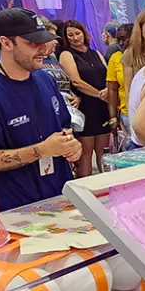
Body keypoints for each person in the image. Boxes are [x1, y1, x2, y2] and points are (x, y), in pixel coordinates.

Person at [0, 8, 82, 212]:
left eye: (43, 42)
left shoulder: (45, 79)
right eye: (32, 43)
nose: (43, 49)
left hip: (60, 196)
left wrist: (71, 144)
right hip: (16, 209)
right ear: (6, 43)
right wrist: (41, 150)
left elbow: (63, 127)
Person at [59, 19, 110, 176]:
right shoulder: (67, 55)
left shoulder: (96, 53)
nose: (75, 37)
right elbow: (76, 81)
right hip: (84, 108)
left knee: (104, 152)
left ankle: (108, 185)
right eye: (70, 35)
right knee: (85, 154)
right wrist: (99, 94)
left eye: (77, 33)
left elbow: (108, 75)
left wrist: (107, 91)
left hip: (102, 107)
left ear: (84, 33)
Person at [107, 23, 134, 134]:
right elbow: (112, 90)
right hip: (127, 114)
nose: (121, 43)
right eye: (118, 40)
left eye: (124, 38)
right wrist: (113, 118)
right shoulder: (115, 58)